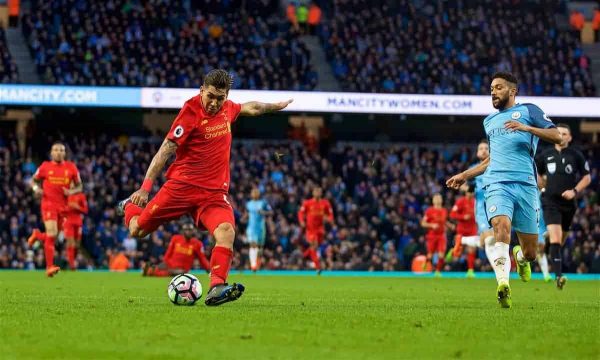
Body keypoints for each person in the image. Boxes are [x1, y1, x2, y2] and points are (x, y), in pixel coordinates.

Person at [117, 69, 292, 306]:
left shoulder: (228, 109)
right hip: (181, 187)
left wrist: (275, 106)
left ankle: (216, 287)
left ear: (226, 96)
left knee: (226, 231)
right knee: (137, 230)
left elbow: (252, 108)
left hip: (213, 193)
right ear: (202, 90)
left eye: (220, 98)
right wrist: (144, 189)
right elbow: (165, 151)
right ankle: (128, 206)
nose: (214, 103)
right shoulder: (189, 112)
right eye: (210, 96)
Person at [447, 72, 562, 308]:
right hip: (497, 184)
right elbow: (491, 160)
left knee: (532, 252)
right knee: (500, 225)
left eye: (498, 87)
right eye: (491, 88)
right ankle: (503, 285)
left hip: (527, 187)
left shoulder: (529, 110)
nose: (493, 92)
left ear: (512, 91)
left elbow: (557, 136)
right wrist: (464, 175)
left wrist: (527, 128)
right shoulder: (489, 122)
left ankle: (521, 258)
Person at [535, 123, 591, 289]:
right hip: (550, 202)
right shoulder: (546, 155)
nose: (561, 136)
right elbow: (533, 170)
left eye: (565, 133)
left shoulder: (576, 155)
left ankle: (547, 247)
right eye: (558, 133)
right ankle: (558, 277)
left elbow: (587, 177)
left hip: (569, 204)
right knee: (557, 239)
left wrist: (574, 191)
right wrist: (541, 186)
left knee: (560, 240)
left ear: (570, 137)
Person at [28, 142, 82, 277]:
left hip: (63, 207)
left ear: (65, 153)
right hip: (48, 205)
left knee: (53, 237)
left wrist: (71, 192)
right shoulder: (45, 166)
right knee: (52, 234)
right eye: (56, 150)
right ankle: (49, 267)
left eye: (61, 150)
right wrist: (36, 189)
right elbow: (33, 181)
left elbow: (80, 186)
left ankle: (37, 235)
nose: (58, 152)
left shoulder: (71, 168)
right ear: (51, 153)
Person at [144, 223, 210, 276]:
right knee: (161, 268)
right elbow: (168, 252)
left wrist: (208, 269)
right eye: (186, 230)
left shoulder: (197, 243)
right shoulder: (175, 238)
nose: (188, 232)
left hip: (182, 270)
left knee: (174, 272)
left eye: (190, 230)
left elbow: (202, 258)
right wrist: (165, 262)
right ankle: (150, 269)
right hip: (170, 265)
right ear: (183, 231)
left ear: (193, 231)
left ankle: (151, 270)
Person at [298, 186, 333, 274]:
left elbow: (330, 214)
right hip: (310, 229)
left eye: (319, 192)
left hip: (320, 229)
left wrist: (329, 219)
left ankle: (304, 255)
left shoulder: (325, 203)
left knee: (315, 247)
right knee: (314, 245)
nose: (317, 193)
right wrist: (302, 221)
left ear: (321, 193)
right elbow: (301, 213)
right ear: (313, 193)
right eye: (316, 192)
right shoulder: (307, 203)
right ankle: (318, 267)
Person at [472, 140, 496, 269]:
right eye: (481, 148)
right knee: (489, 239)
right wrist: (468, 189)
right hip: (482, 210)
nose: (484, 150)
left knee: (487, 241)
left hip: (497, 206)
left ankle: (463, 240)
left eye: (486, 148)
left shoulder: (496, 167)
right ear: (477, 153)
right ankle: (499, 273)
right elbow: (465, 187)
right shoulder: (473, 169)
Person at [449, 184, 478, 278]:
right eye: (469, 193)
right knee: (458, 253)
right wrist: (463, 217)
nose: (470, 195)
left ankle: (470, 271)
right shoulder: (460, 202)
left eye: (472, 193)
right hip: (461, 230)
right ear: (466, 193)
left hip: (472, 230)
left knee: (471, 249)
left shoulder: (476, 202)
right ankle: (453, 251)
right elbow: (452, 214)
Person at [244, 187, 272, 272]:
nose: (255, 194)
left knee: (259, 247)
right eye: (253, 192)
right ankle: (253, 265)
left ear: (259, 194)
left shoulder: (263, 203)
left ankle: (257, 263)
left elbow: (271, 212)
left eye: (256, 192)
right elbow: (246, 214)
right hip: (251, 227)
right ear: (251, 194)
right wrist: (244, 218)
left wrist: (263, 212)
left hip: (260, 227)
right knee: (253, 244)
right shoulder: (248, 204)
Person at [421, 193, 450, 277]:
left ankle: (437, 271)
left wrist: (449, 225)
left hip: (441, 235)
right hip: (432, 235)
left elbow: (444, 221)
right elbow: (423, 223)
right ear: (433, 200)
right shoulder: (429, 210)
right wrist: (432, 225)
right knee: (430, 255)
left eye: (439, 198)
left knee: (441, 254)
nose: (437, 199)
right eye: (436, 198)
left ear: (441, 200)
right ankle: (426, 262)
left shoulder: (444, 210)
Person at [63, 185, 88, 270]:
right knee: (70, 243)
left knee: (77, 244)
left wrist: (77, 207)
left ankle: (72, 260)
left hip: (78, 222)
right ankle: (72, 265)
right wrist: (68, 208)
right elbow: (61, 208)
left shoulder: (81, 196)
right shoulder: (65, 195)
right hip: (68, 221)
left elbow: (85, 210)